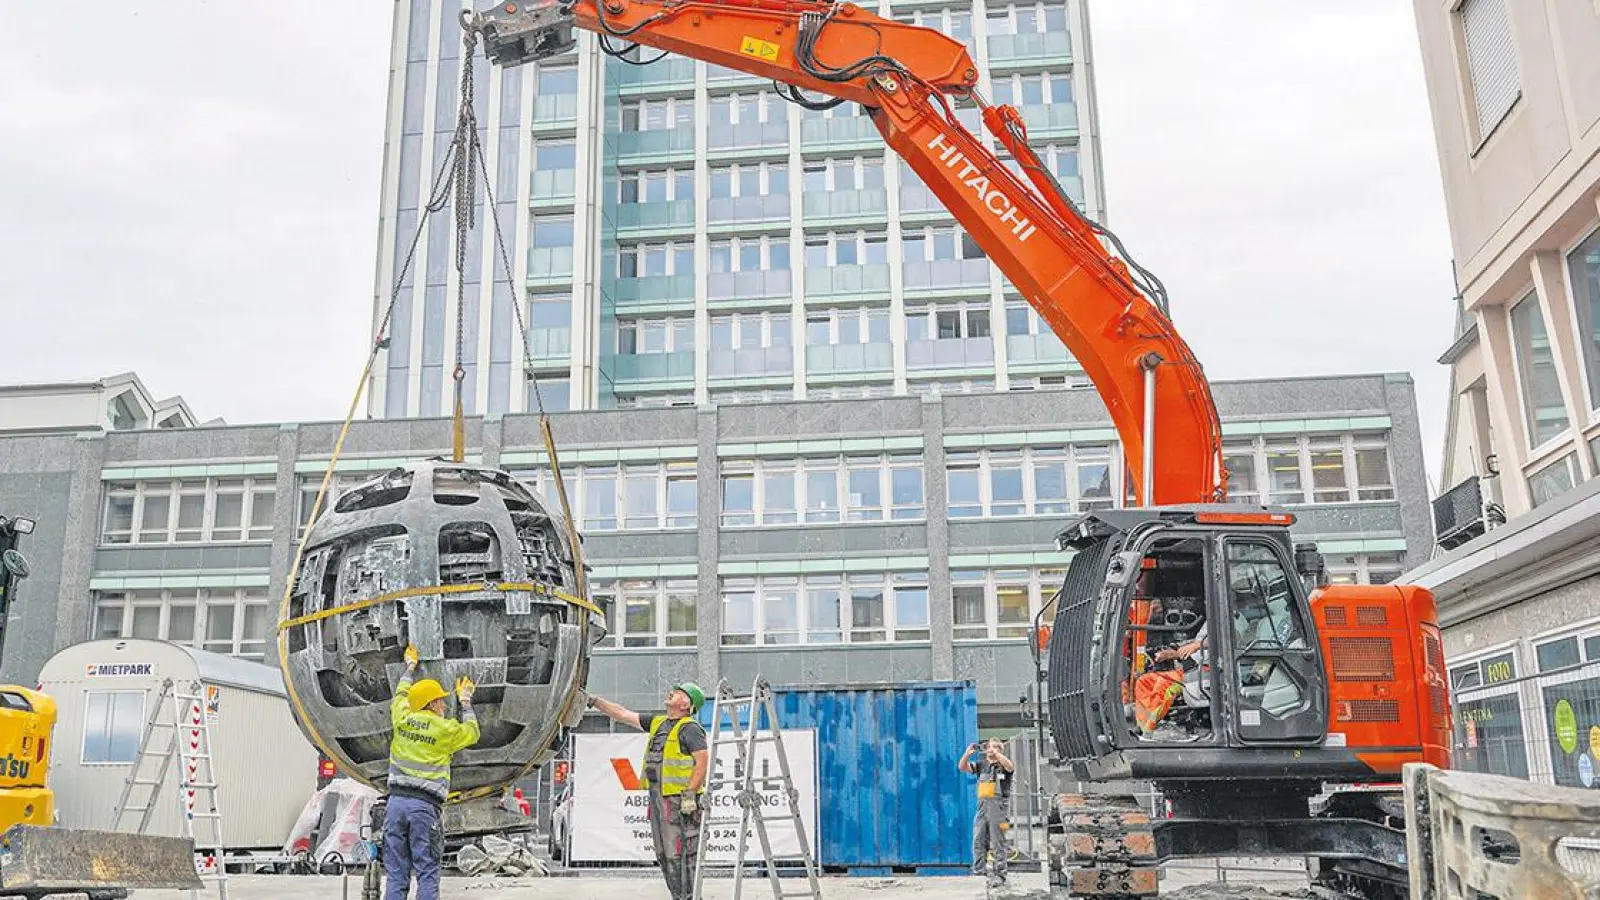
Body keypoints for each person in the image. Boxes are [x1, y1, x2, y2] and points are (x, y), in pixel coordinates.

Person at [588, 684, 710, 900]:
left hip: (678, 803)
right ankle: (679, 896)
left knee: (680, 854)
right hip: (658, 799)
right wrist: (594, 701)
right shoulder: (658, 722)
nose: (672, 692)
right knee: (663, 854)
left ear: (686, 704)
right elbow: (622, 714)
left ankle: (690, 897)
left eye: (679, 692)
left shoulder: (690, 728)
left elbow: (702, 762)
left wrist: (690, 795)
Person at [384, 647, 481, 900]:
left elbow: (400, 693)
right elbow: (472, 732)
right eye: (440, 700)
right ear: (431, 703)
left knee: (396, 873)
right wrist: (466, 701)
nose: (444, 704)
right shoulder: (444, 729)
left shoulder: (402, 718)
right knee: (427, 870)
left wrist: (409, 667)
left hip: (394, 805)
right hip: (423, 808)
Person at [958, 737, 1015, 887]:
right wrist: (967, 753)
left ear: (1000, 750)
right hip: (982, 806)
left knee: (998, 842)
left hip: (999, 808)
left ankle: (1000, 875)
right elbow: (962, 767)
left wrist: (998, 754)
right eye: (989, 746)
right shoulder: (981, 765)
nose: (990, 749)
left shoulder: (1003, 766)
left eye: (994, 747)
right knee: (978, 839)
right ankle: (979, 871)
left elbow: (1010, 767)